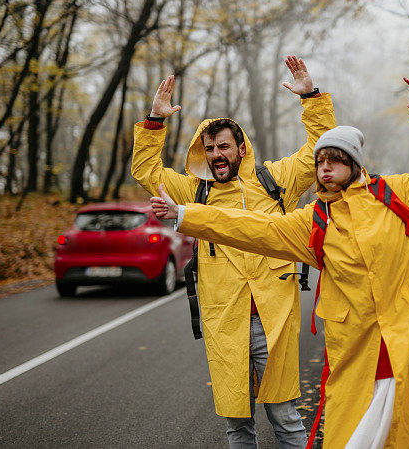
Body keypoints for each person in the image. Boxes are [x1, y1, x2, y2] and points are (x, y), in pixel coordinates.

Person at [150, 78, 409, 448]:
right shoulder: (313, 222)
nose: (324, 167)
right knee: (334, 435)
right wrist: (185, 216)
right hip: (353, 356)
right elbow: (254, 228)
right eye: (320, 161)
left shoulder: (400, 196)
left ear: (354, 164)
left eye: (335, 160)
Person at [131, 56, 336, 448]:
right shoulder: (195, 193)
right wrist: (154, 122)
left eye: (223, 146)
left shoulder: (273, 181)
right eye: (209, 149)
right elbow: (147, 173)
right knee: (237, 425)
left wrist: (310, 96)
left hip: (273, 323)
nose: (215, 155)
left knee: (286, 419)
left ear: (241, 149)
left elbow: (319, 148)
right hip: (225, 324)